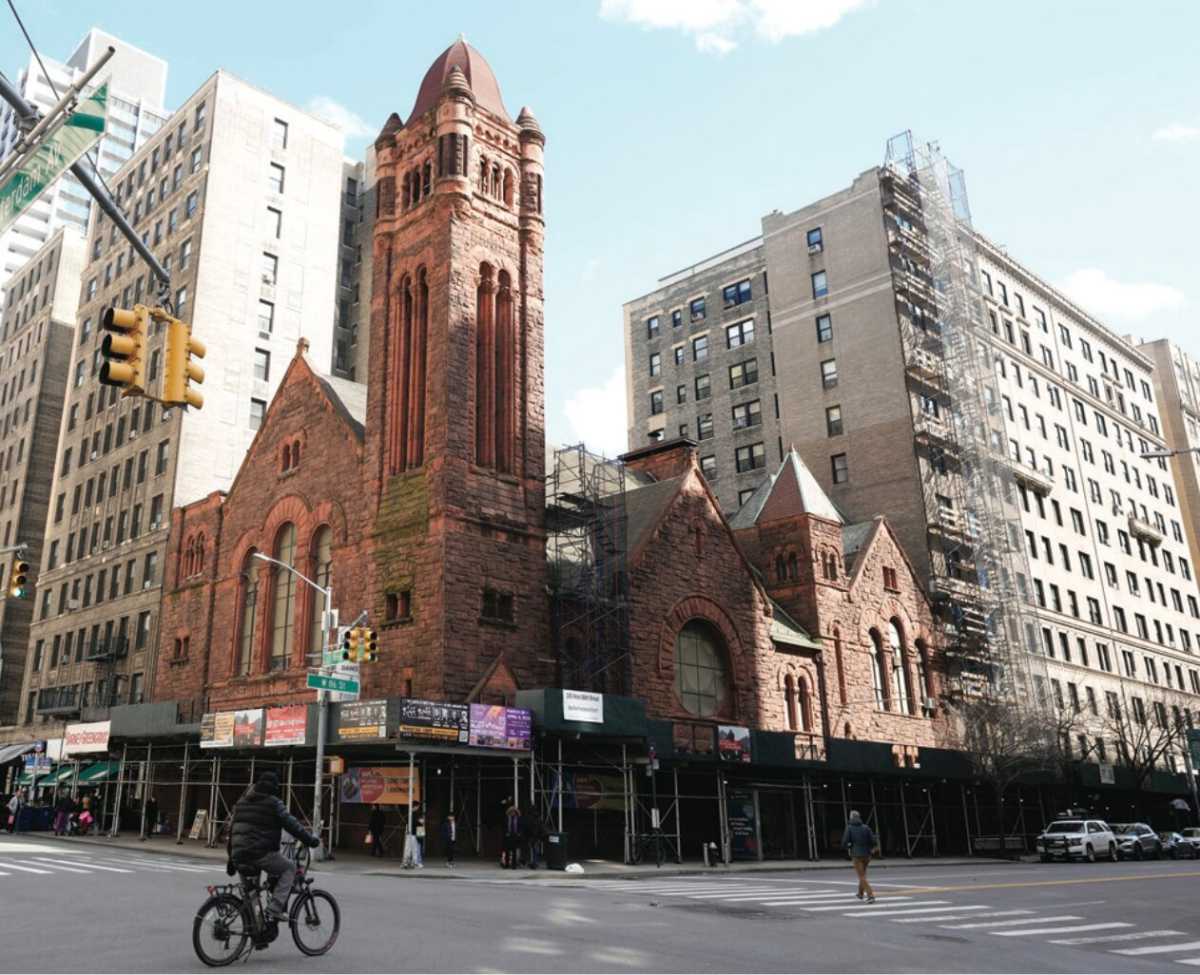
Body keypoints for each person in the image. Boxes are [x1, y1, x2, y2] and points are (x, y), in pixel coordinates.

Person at [226, 771, 320, 922]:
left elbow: (232, 832)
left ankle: (257, 935)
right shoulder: (273, 803)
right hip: (260, 854)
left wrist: (231, 859)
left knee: (252, 897)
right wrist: (310, 840)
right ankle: (275, 908)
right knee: (289, 868)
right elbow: (292, 825)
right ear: (274, 788)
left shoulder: (241, 802)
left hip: (239, 855)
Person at [842, 810, 877, 903]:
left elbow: (844, 842)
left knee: (861, 876)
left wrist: (849, 846)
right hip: (867, 855)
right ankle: (860, 894)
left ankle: (871, 896)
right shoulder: (866, 827)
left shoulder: (849, 828)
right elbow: (873, 841)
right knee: (863, 875)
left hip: (856, 855)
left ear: (851, 818)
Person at [503, 804, 521, 869]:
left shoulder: (518, 818)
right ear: (509, 812)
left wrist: (519, 833)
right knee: (507, 851)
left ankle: (514, 865)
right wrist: (505, 833)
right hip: (508, 836)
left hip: (515, 836)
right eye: (511, 811)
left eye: (514, 811)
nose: (513, 813)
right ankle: (506, 864)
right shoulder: (507, 818)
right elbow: (504, 827)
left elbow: (520, 827)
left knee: (514, 851)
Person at [413, 803, 426, 868]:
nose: (418, 807)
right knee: (417, 847)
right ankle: (417, 862)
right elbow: (421, 822)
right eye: (417, 806)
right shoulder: (416, 814)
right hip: (418, 831)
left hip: (418, 831)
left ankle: (418, 862)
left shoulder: (416, 813)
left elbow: (421, 822)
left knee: (418, 847)